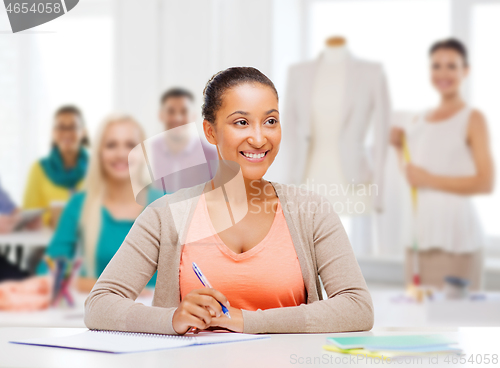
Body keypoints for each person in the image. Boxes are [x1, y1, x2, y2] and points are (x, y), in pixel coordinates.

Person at [84, 67, 374, 335]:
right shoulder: (166, 216)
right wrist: (171, 318)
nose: (259, 138)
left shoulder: (310, 212)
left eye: (270, 121)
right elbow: (99, 305)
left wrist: (247, 321)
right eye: (241, 122)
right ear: (211, 131)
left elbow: (357, 308)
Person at [391, 38, 494, 290]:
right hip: (418, 240)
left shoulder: (472, 118)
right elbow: (412, 177)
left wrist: (429, 179)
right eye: (436, 66)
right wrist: (397, 147)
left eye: (451, 66)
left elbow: (486, 182)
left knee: (456, 322)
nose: (443, 73)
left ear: (465, 71)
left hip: (457, 240)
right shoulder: (419, 119)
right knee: (417, 323)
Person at [36, 114, 159, 293]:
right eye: (111, 145)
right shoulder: (79, 205)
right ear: (99, 154)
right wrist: (119, 291)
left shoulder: (168, 205)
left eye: (130, 145)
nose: (121, 154)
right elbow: (48, 271)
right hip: (97, 314)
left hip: (158, 316)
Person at [23, 105, 89, 228]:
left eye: (72, 127)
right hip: (48, 241)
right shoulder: (39, 169)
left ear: (83, 132)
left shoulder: (96, 167)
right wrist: (50, 219)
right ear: (53, 132)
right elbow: (30, 215)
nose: (66, 133)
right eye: (61, 127)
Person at [150, 88, 218, 193]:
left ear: (193, 116)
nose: (177, 118)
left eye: (184, 111)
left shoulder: (212, 156)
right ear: (161, 115)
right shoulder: (150, 153)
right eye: (171, 111)